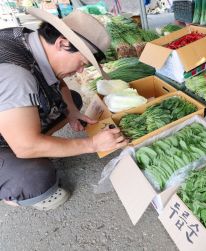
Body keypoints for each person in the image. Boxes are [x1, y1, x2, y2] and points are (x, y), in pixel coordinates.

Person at [0, 8, 128, 210]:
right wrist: (92, 144)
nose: (80, 70)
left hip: (7, 117)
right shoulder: (16, 75)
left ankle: (29, 141)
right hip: (9, 135)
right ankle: (11, 185)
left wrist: (72, 113)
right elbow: (26, 146)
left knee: (71, 102)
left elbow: (57, 82)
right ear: (62, 43)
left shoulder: (30, 42)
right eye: (81, 63)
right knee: (36, 178)